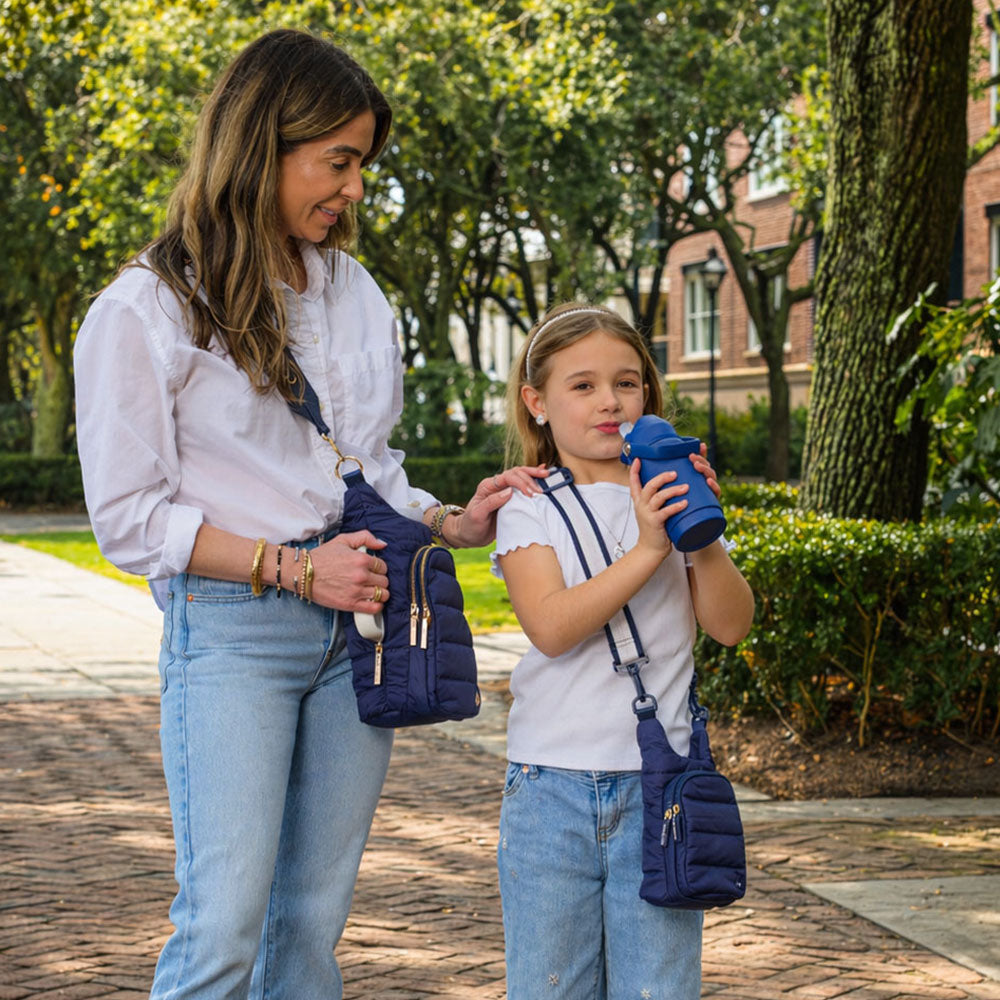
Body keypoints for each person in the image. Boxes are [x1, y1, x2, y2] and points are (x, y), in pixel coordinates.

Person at [73, 29, 543, 999]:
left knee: (310, 926)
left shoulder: (352, 291)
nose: (356, 188)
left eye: (363, 164)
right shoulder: (147, 308)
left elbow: (363, 465)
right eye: (338, 160)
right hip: (233, 631)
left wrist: (450, 521)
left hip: (359, 625)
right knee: (223, 926)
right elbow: (129, 520)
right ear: (263, 145)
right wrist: (293, 569)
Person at [492, 303, 755, 999]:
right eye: (582, 386)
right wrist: (647, 549)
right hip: (551, 786)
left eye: (627, 383)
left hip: (661, 786)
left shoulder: (669, 494)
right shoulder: (531, 506)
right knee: (551, 985)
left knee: (658, 986)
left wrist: (701, 532)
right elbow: (551, 626)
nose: (609, 401)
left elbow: (731, 625)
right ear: (537, 402)